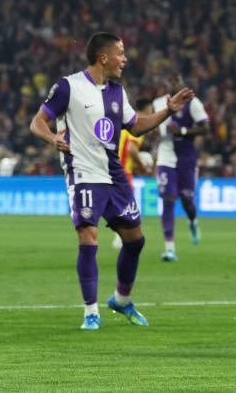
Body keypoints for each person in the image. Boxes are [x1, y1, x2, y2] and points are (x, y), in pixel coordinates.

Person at [30, 32, 194, 331]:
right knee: (88, 237)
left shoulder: (117, 92)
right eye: (120, 53)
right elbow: (37, 121)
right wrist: (52, 137)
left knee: (136, 241)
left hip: (114, 175)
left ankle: (121, 299)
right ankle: (91, 311)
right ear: (103, 57)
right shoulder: (69, 87)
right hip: (82, 173)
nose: (125, 58)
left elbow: (137, 126)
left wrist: (168, 110)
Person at [153, 74, 209, 262]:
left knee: (186, 200)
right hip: (166, 157)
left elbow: (205, 128)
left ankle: (192, 220)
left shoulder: (193, 103)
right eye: (171, 82)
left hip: (186, 159)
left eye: (177, 82)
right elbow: (156, 128)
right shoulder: (159, 103)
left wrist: (183, 131)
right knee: (168, 198)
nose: (174, 84)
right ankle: (170, 248)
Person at [111, 98, 154, 249]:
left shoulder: (125, 119)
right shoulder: (137, 122)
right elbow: (131, 149)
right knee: (128, 206)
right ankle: (120, 237)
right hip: (122, 171)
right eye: (151, 109)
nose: (152, 113)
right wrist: (142, 165)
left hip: (112, 166)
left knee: (117, 204)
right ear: (146, 109)